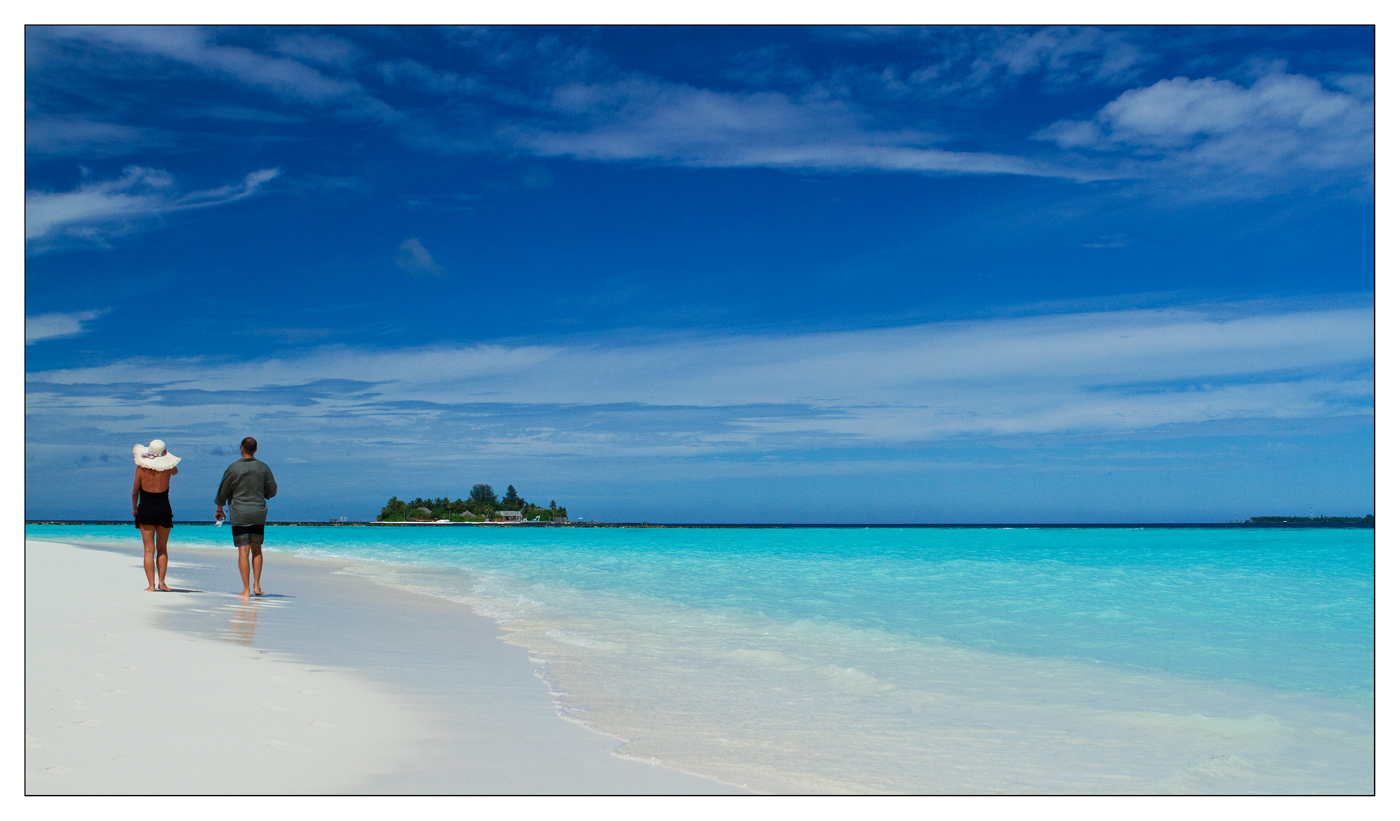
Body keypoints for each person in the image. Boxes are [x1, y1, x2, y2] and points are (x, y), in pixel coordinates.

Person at [214, 437, 278, 598]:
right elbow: (272, 490)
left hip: (239, 513)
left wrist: (220, 507)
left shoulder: (233, 468)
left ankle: (246, 589)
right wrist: (265, 494)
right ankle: (257, 586)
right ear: (255, 449)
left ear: (241, 448)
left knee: (243, 551)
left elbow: (223, 490)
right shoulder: (264, 468)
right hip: (258, 512)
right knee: (257, 549)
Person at [132, 439, 181, 591]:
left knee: (148, 549)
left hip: (146, 508)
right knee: (162, 548)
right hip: (163, 508)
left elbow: (135, 492)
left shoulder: (140, 469)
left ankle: (151, 585)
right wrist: (165, 461)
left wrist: (135, 508)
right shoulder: (168, 469)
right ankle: (162, 583)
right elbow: (175, 471)